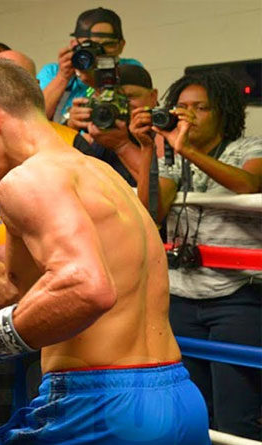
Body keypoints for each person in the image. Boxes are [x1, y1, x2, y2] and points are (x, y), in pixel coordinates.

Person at [0, 59, 210, 444]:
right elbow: (10, 293)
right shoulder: (104, 177)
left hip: (99, 406)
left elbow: (86, 287)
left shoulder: (28, 180)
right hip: (176, 396)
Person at [127, 71, 262, 440]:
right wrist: (145, 150)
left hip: (237, 298)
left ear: (224, 113)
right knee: (192, 411)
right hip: (182, 298)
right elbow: (151, 212)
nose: (188, 115)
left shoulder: (249, 147)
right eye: (182, 107)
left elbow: (248, 184)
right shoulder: (171, 158)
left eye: (201, 108)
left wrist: (187, 149)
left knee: (237, 416)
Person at [37, 7, 141, 125]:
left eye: (108, 45)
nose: (99, 52)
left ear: (121, 46)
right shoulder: (52, 72)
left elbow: (134, 112)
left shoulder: (129, 68)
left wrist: (97, 82)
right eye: (91, 46)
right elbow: (34, 119)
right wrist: (62, 77)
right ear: (74, 44)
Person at [73, 64, 162, 187]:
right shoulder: (95, 130)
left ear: (153, 96)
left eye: (129, 97)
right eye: (112, 99)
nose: (121, 105)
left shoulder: (163, 131)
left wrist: (122, 146)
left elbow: (158, 186)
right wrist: (70, 128)